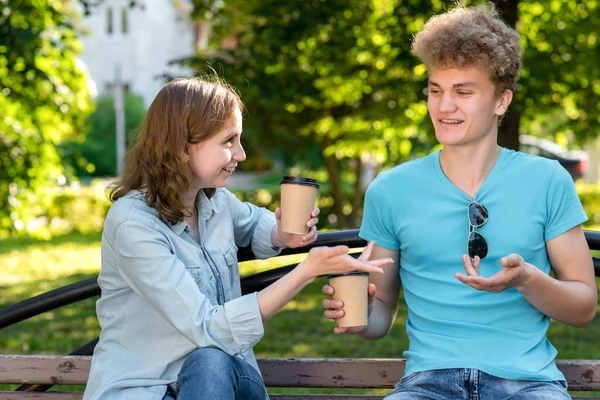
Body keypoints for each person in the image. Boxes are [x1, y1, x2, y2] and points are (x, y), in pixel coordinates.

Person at [322, 4, 596, 399]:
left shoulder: (548, 180)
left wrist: (526, 279)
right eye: (436, 90)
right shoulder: (391, 189)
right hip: (428, 384)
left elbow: (583, 307)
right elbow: (380, 313)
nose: (444, 106)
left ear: (502, 100)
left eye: (463, 92)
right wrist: (356, 315)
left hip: (529, 384)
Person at [82, 76, 392, 400]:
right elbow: (210, 330)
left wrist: (281, 232)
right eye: (229, 141)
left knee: (211, 364)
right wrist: (306, 272)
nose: (241, 154)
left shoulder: (213, 201)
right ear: (184, 147)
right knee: (209, 358)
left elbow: (255, 222)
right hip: (144, 390)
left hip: (226, 384)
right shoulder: (133, 225)